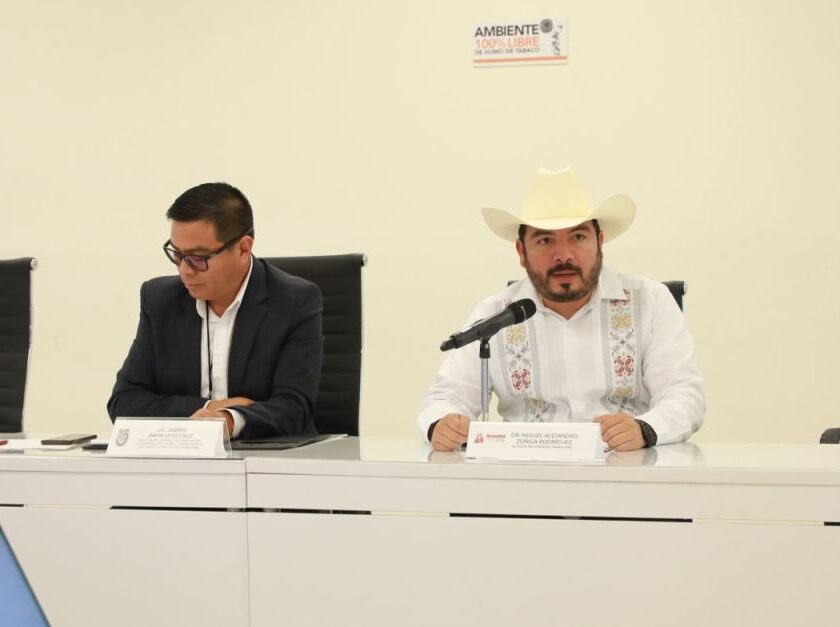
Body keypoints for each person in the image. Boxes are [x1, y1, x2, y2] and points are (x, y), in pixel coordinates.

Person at [418, 167, 705, 452]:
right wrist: (441, 425)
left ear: (600, 243)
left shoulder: (651, 303)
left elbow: (684, 396)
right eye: (545, 240)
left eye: (578, 237)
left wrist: (644, 429)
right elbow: (447, 398)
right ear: (521, 252)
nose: (564, 255)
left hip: (624, 468)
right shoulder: (495, 313)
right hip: (525, 473)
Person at [107, 182, 323, 439]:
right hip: (182, 456)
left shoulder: (294, 301)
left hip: (267, 456)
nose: (185, 270)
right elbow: (124, 402)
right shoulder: (159, 300)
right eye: (177, 255)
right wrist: (212, 409)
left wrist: (230, 422)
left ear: (243, 248)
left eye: (198, 258)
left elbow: (294, 408)